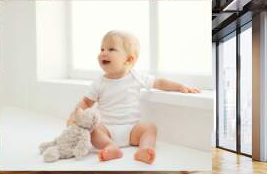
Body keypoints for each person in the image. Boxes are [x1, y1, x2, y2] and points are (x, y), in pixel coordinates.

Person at [67, 30, 200, 164]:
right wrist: (74, 116)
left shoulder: (136, 77)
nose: (103, 53)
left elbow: (158, 83)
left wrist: (179, 86)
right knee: (90, 129)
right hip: (106, 130)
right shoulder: (99, 82)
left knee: (150, 128)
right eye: (102, 49)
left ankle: (144, 149)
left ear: (129, 59)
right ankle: (110, 147)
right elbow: (86, 102)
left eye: (111, 49)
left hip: (132, 130)